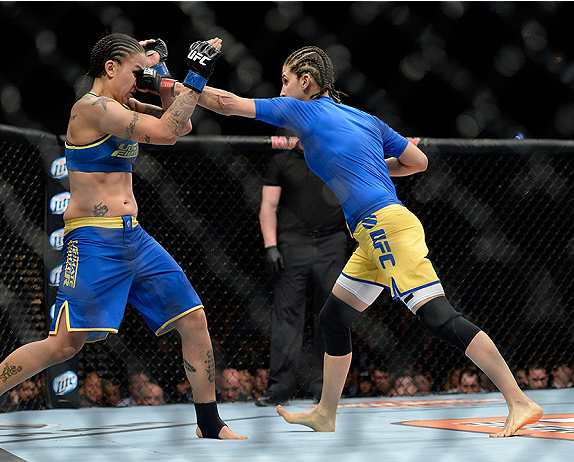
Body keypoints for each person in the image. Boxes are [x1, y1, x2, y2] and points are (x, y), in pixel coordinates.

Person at [191, 44, 542, 437]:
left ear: (306, 82)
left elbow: (225, 103)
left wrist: (186, 79)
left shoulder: (304, 109)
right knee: (334, 318)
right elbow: (418, 162)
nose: (282, 88)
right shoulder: (366, 119)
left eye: (286, 81)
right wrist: (372, 169)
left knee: (439, 317)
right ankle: (325, 413)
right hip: (371, 233)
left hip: (383, 227)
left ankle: (519, 401)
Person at [0, 33, 246, 446]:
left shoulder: (124, 105)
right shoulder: (91, 109)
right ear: (110, 69)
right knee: (64, 346)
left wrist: (159, 72)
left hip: (135, 238)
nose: (137, 81)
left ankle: (209, 421)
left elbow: (180, 126)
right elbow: (164, 132)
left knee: (194, 320)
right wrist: (195, 74)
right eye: (133, 73)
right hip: (93, 240)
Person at [257, 141, 348, 406]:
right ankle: (279, 389)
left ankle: (324, 388)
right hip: (293, 243)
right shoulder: (283, 163)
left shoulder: (335, 159)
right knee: (286, 316)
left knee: (329, 316)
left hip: (332, 241)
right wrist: (271, 245)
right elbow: (268, 206)